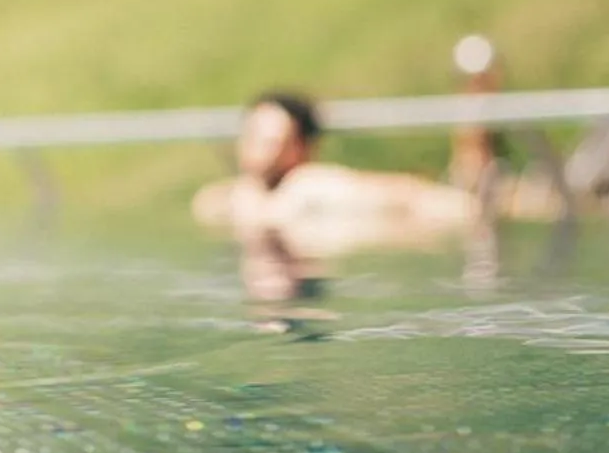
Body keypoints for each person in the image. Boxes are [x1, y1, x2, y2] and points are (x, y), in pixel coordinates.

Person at [193, 90, 484, 301]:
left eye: (272, 140)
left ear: (302, 148)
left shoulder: (310, 186)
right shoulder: (235, 196)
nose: (257, 146)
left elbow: (404, 195)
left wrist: (460, 206)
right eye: (253, 135)